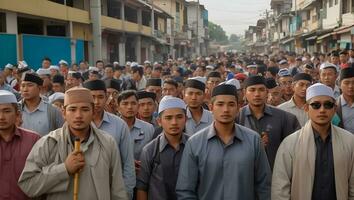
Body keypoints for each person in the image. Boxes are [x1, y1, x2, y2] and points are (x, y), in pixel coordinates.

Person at [18, 87, 128, 199]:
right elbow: (28, 185)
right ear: (64, 113)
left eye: (85, 109)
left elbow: (117, 190)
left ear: (93, 112)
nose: (78, 115)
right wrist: (64, 169)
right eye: (72, 109)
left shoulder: (107, 143)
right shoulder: (48, 143)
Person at [176, 84, 271, 200]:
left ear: (238, 108)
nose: (225, 110)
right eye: (220, 104)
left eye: (231, 104)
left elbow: (264, 184)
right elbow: (185, 190)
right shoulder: (195, 143)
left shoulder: (253, 140)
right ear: (211, 107)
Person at [272, 83, 354, 200]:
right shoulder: (290, 143)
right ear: (306, 108)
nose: (322, 110)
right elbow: (280, 189)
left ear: (334, 108)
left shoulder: (349, 141)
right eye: (315, 105)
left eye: (328, 105)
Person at [83, 80, 136, 198]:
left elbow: (128, 163)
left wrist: (126, 192)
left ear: (107, 97)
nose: (96, 102)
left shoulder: (119, 124)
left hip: (113, 189)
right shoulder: (78, 124)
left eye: (101, 97)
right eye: (92, 97)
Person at [238, 76, 300, 169]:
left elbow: (295, 149)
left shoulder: (284, 117)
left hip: (276, 173)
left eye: (261, 90)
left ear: (267, 92)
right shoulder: (237, 118)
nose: (257, 94)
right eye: (252, 90)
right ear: (244, 92)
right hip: (245, 174)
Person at [136, 96, 188, 200]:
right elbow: (142, 187)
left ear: (186, 119)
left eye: (179, 117)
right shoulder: (150, 150)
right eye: (168, 118)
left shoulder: (193, 146)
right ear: (159, 121)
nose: (174, 122)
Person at [0, 90, 40, 200]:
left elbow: (41, 178)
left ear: (17, 114)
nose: (1, 117)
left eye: (7, 111)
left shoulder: (33, 139)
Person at [117, 90, 154, 170]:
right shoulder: (113, 127)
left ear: (138, 106)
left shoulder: (149, 128)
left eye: (133, 103)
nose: (130, 107)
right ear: (118, 107)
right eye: (125, 103)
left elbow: (153, 155)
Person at [336, 67, 354, 133]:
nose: (351, 86)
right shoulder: (333, 105)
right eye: (346, 83)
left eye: (353, 82)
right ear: (339, 85)